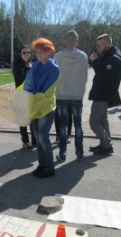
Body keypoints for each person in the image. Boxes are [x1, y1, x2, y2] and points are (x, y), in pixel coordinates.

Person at [24, 38, 60, 178]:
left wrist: (32, 94)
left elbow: (47, 91)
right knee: (38, 139)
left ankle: (49, 167)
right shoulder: (36, 65)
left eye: (41, 51)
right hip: (34, 106)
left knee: (43, 137)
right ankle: (41, 164)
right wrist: (28, 93)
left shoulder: (54, 69)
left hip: (45, 107)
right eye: (37, 51)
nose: (38, 53)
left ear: (49, 52)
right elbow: (29, 82)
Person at [53, 30, 88, 162]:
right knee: (78, 125)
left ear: (65, 40)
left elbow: (54, 76)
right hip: (77, 95)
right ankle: (79, 153)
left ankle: (62, 154)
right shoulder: (83, 56)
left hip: (61, 94)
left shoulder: (58, 56)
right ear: (76, 41)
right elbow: (85, 77)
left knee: (62, 126)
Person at [88, 33, 121, 155]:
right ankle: (105, 144)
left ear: (108, 43)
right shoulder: (110, 56)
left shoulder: (113, 58)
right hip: (103, 94)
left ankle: (106, 143)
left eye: (101, 45)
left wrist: (95, 61)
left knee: (94, 122)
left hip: (103, 94)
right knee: (102, 121)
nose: (99, 47)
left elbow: (103, 75)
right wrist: (97, 60)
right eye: (97, 45)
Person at [12, 45, 36, 150]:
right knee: (23, 119)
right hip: (21, 96)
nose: (26, 54)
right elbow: (23, 79)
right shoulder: (18, 65)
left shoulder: (32, 64)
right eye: (24, 52)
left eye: (28, 52)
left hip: (32, 96)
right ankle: (25, 140)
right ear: (20, 54)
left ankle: (35, 139)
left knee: (33, 119)